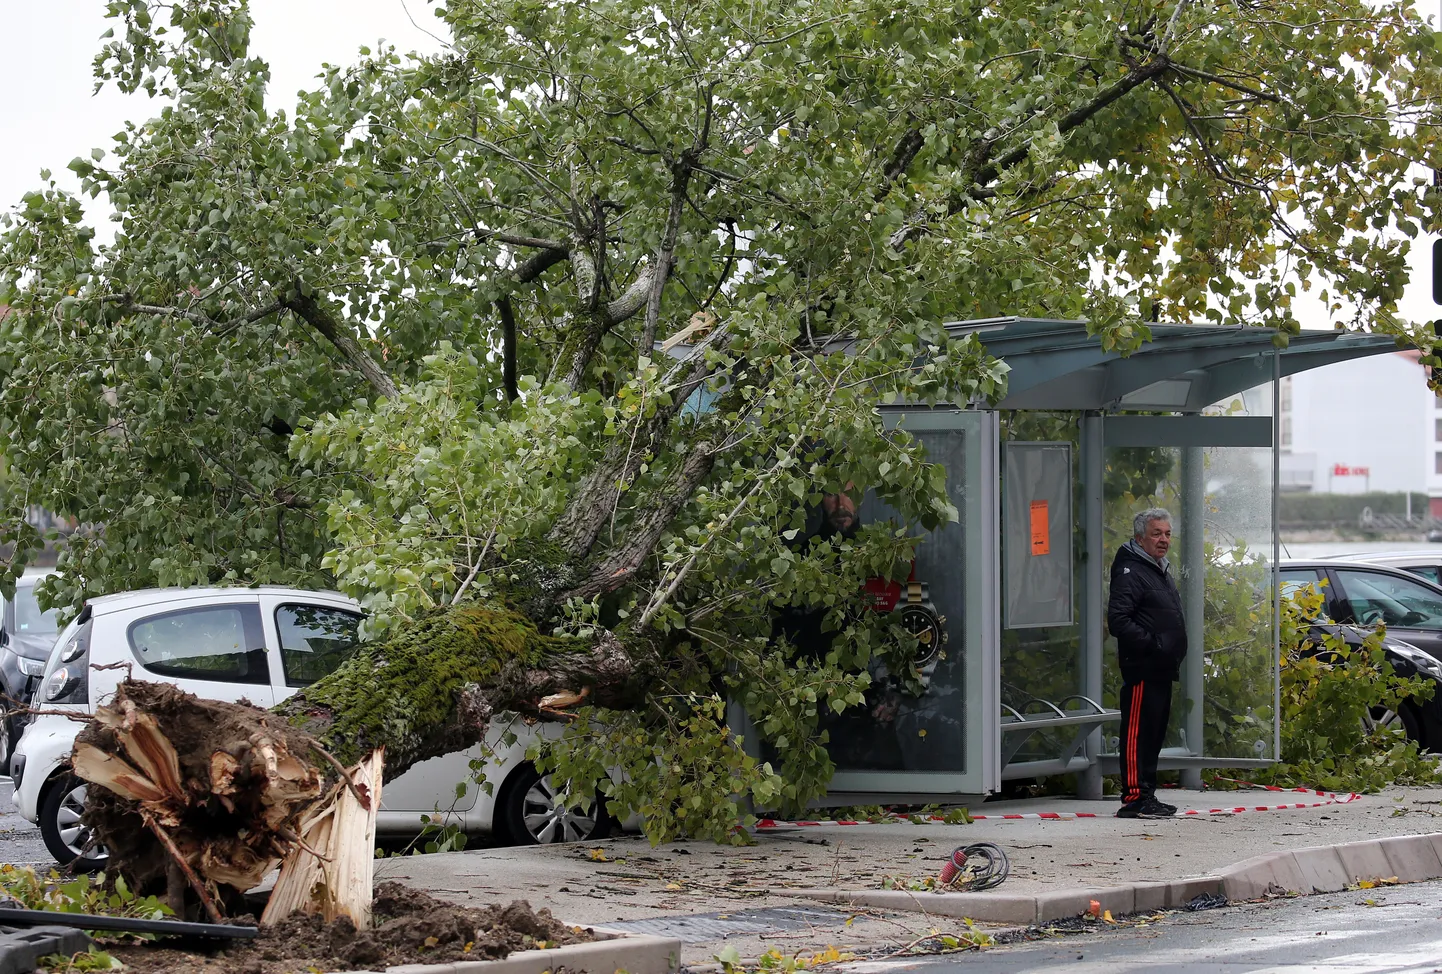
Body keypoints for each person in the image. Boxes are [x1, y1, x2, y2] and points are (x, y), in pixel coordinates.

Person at [1106, 507, 1187, 819]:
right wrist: (1154, 645)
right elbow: (1118, 620)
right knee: (1138, 732)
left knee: (1153, 733)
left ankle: (1147, 795)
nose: (1163, 539)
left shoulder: (1157, 568)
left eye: (1167, 533)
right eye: (1156, 533)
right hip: (1143, 665)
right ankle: (1135, 797)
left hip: (1161, 667)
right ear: (1140, 537)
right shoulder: (1130, 569)